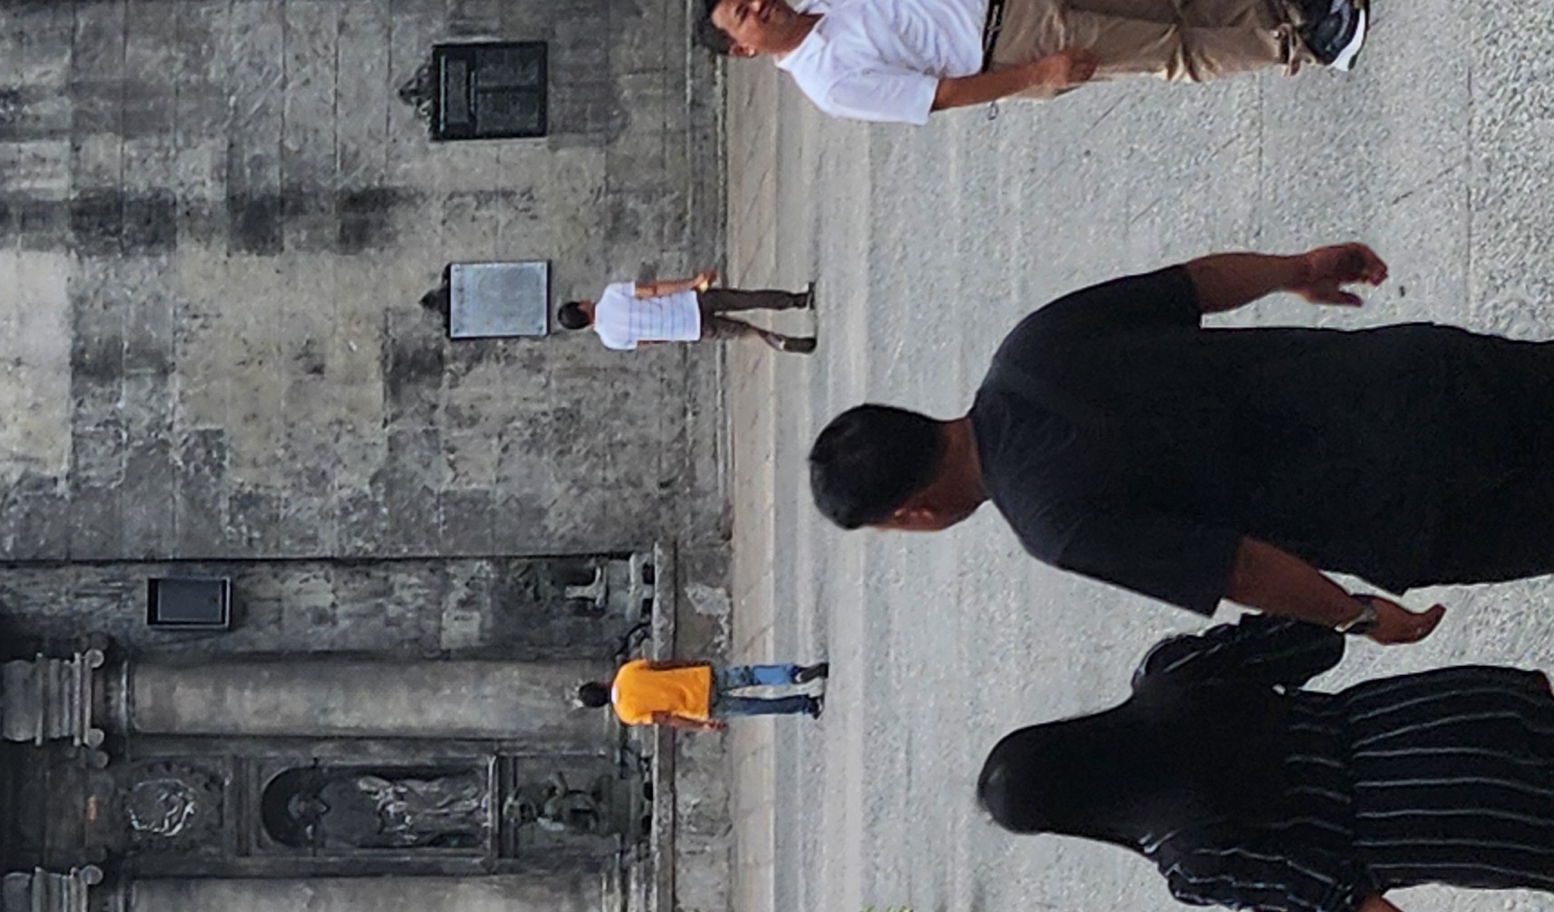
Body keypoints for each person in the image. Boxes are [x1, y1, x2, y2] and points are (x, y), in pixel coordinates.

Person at [806, 244, 1554, 622]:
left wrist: (1355, 618)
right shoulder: (1032, 345)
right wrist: (1296, 267)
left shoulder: (1054, 525)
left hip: (1414, 509)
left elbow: (1240, 569)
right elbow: (1194, 284)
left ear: (913, 512)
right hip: (1411, 376)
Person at [974, 615, 1554, 912]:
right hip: (1418, 716)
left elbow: (1338, 900)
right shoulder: (1169, 672)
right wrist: (1365, 614)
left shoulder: (1190, 854)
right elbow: (1308, 639)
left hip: (1438, 819)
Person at [702, 0, 1353, 129]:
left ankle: (1287, 11)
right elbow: (938, 96)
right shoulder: (827, 81)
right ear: (744, 49)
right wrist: (1041, 72)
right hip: (1019, 44)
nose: (760, 3)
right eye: (744, 14)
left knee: (1167, 2)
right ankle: (1303, 48)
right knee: (1167, 49)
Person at [567, 271, 821, 356]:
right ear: (581, 307)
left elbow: (649, 342)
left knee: (743, 332)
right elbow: (653, 290)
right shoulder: (611, 294)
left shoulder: (610, 340)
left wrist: (676, 333)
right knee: (746, 299)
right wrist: (692, 283)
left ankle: (780, 342)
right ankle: (799, 300)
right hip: (691, 301)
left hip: (690, 329)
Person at [580, 659, 831, 728]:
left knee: (756, 706)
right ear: (601, 683)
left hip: (702, 705)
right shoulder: (627, 672)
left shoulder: (627, 714)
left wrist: (700, 725)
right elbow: (666, 664)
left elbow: (666, 718)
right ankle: (793, 675)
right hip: (700, 678)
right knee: (751, 675)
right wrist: (695, 663)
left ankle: (807, 705)